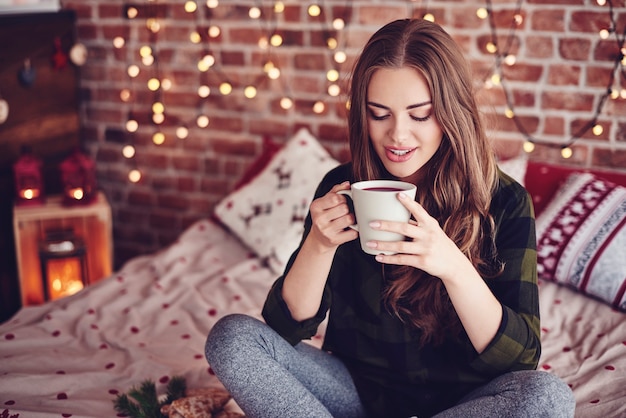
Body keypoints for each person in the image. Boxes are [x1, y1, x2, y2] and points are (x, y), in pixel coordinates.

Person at [205, 18, 575, 418]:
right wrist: (319, 244)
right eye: (379, 114)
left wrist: (453, 267)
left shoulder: (504, 201)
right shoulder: (341, 186)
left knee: (549, 397)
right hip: (356, 391)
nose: (398, 136)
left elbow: (520, 360)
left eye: (420, 115)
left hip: (461, 402)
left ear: (452, 112)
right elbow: (284, 329)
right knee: (231, 338)